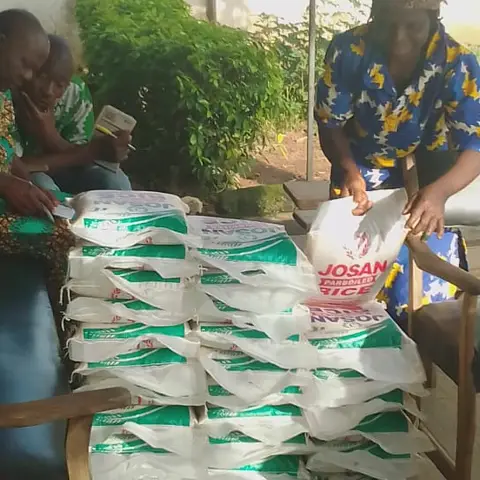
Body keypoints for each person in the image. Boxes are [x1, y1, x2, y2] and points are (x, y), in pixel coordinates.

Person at [315, 0, 480, 322]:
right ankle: (362, 334)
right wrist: (348, 170)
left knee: (425, 273)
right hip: (358, 163)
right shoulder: (349, 50)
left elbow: (475, 144)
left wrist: (439, 193)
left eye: (413, 27)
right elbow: (330, 123)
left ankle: (419, 337)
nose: (399, 39)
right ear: (374, 16)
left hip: (431, 164)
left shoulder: (457, 62)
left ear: (433, 18)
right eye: (388, 25)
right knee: (353, 263)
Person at [0, 9, 69, 480]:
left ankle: (63, 371)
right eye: (25, 64)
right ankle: (27, 439)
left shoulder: (3, 98)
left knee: (68, 232)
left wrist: (31, 184)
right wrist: (6, 185)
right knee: (58, 247)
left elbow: (9, 156)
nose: (28, 78)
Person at [14, 34, 132, 194]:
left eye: (60, 85)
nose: (48, 91)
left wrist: (50, 137)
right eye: (41, 77)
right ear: (27, 71)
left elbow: (82, 159)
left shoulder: (75, 93)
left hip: (63, 172)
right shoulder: (7, 94)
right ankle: (61, 217)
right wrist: (90, 152)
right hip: (20, 180)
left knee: (116, 180)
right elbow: (12, 167)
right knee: (40, 181)